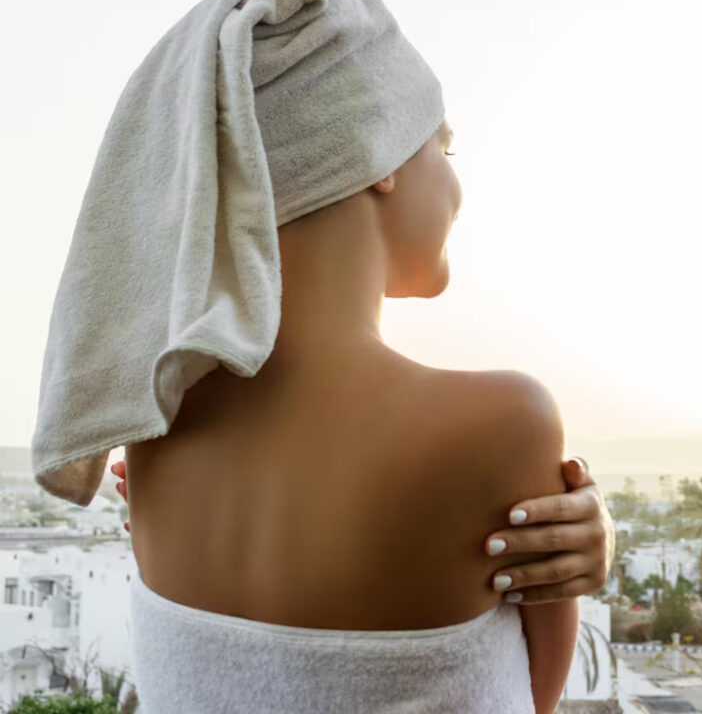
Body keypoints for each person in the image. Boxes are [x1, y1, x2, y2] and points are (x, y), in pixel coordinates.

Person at [114, 115, 613, 713]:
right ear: (381, 160)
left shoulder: (154, 418)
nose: (457, 188)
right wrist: (566, 571)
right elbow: (531, 700)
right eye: (446, 150)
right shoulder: (504, 419)